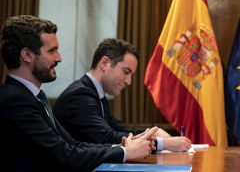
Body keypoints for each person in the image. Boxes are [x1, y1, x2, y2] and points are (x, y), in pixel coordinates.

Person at [0, 15, 157, 172]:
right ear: (27, 55)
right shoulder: (14, 100)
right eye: (52, 51)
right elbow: (64, 155)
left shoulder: (33, 97)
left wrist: (121, 147)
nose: (59, 58)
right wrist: (125, 152)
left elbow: (72, 144)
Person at [54, 38, 191, 152]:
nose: (129, 81)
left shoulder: (95, 93)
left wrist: (153, 132)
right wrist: (162, 144)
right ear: (105, 63)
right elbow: (107, 138)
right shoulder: (79, 96)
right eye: (126, 72)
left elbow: (119, 129)